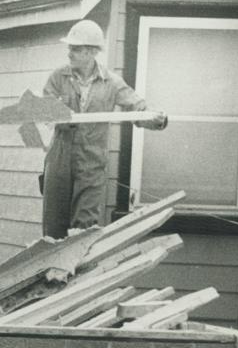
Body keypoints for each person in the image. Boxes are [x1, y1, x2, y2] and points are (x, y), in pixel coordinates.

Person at [40, 19, 168, 237]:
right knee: (54, 223)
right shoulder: (58, 77)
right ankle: (52, 269)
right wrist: (56, 112)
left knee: (84, 223)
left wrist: (155, 118)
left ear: (90, 52)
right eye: (69, 48)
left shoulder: (111, 82)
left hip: (91, 159)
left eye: (75, 49)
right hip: (60, 158)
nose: (69, 53)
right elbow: (46, 105)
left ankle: (75, 269)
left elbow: (136, 107)